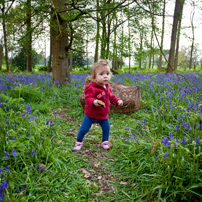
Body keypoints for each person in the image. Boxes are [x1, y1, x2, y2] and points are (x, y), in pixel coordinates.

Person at [73, 59, 123, 151]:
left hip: (103, 115)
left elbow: (111, 97)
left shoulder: (108, 88)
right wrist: (94, 101)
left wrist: (117, 101)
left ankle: (105, 141)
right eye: (101, 74)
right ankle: (78, 142)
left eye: (107, 74)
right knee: (84, 128)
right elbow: (88, 98)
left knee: (106, 128)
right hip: (90, 115)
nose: (105, 76)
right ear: (94, 77)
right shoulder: (91, 88)